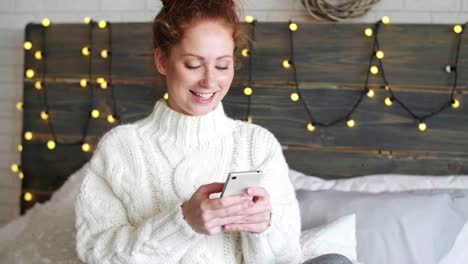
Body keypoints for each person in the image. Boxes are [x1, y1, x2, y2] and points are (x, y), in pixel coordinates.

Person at [74, 0, 352, 263]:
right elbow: (95, 254)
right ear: (162, 61)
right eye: (193, 65)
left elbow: (286, 258)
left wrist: (264, 228)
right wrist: (183, 223)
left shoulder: (257, 145)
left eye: (222, 65)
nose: (210, 81)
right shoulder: (120, 149)